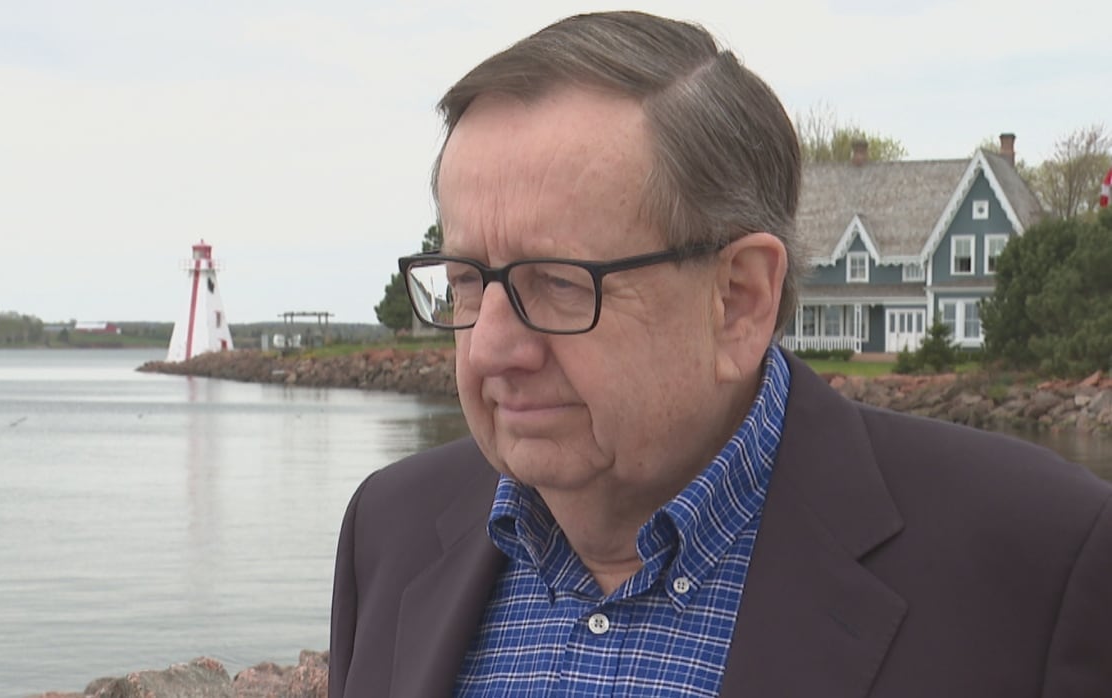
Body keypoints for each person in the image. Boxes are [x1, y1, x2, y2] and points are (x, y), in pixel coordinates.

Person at [329, 11, 1112, 697]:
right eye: (468, 280)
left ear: (739, 299)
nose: (492, 347)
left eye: (560, 284)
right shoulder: (388, 532)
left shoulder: (1040, 564)